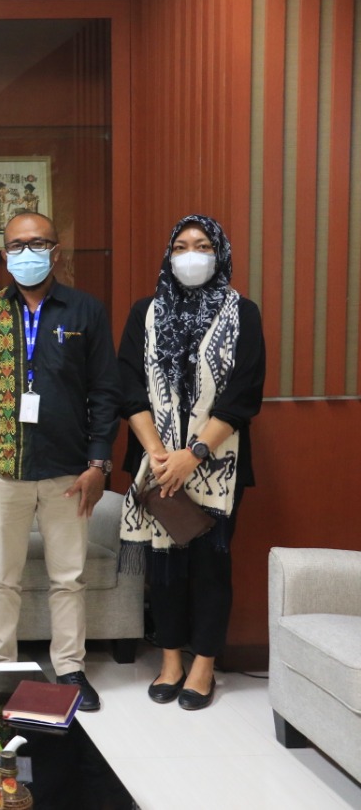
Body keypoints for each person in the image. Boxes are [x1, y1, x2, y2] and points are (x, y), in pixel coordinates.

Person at [0, 210, 119, 712]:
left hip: (69, 469)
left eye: (39, 243)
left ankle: (70, 668)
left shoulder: (86, 310)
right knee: (1, 575)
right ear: (4, 254)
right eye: (17, 245)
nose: (28, 253)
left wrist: (99, 463)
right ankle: (1, 668)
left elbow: (105, 391)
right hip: (3, 467)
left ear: (56, 251)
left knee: (68, 577)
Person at [118, 214, 265, 711]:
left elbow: (244, 394)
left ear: (219, 254)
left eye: (202, 245)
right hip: (155, 459)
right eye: (181, 246)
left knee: (209, 566)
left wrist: (194, 454)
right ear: (168, 255)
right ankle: (170, 662)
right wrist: (159, 454)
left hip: (218, 464)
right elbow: (128, 386)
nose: (191, 255)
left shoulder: (244, 313)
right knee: (163, 566)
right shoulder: (145, 312)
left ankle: (203, 666)